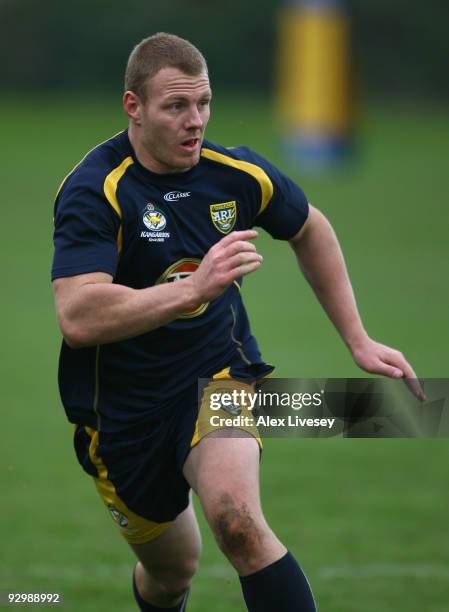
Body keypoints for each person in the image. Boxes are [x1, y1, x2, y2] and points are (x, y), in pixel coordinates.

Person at [51, 32, 424, 612]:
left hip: (216, 379)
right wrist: (193, 288)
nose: (194, 121)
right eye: (176, 106)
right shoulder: (95, 191)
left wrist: (357, 338)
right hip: (121, 414)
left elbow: (310, 228)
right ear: (134, 107)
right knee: (172, 573)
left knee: (238, 524)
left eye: (202, 104)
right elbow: (77, 315)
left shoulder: (235, 174)